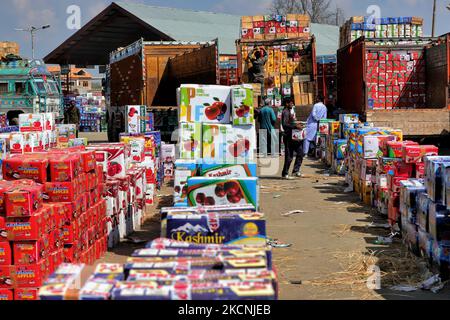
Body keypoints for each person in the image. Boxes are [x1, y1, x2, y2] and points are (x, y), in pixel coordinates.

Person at [281, 97, 304, 179]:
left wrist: (297, 124)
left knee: (300, 153)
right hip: (288, 137)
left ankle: (296, 170)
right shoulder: (285, 112)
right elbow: (285, 125)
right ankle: (285, 173)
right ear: (287, 104)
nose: (292, 104)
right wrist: (295, 126)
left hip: (294, 137)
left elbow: (290, 123)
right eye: (291, 103)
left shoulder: (289, 111)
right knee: (289, 156)